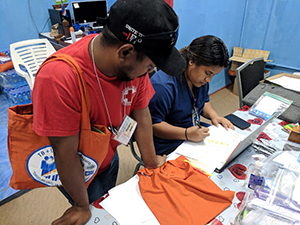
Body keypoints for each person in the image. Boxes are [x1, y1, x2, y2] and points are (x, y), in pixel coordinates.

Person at [32, 0, 186, 224]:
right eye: (150, 66)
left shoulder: (135, 66)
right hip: (78, 165)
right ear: (125, 52)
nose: (150, 72)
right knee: (95, 212)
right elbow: (64, 153)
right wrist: (81, 205)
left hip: (107, 151)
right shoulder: (59, 78)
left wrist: (151, 163)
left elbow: (142, 115)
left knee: (108, 200)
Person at [149, 35, 234, 156]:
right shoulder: (163, 86)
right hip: (168, 143)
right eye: (208, 73)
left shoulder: (199, 80)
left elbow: (203, 101)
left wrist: (214, 116)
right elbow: (152, 125)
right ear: (192, 61)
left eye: (213, 75)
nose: (209, 79)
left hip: (192, 132)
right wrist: (186, 133)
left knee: (227, 153)